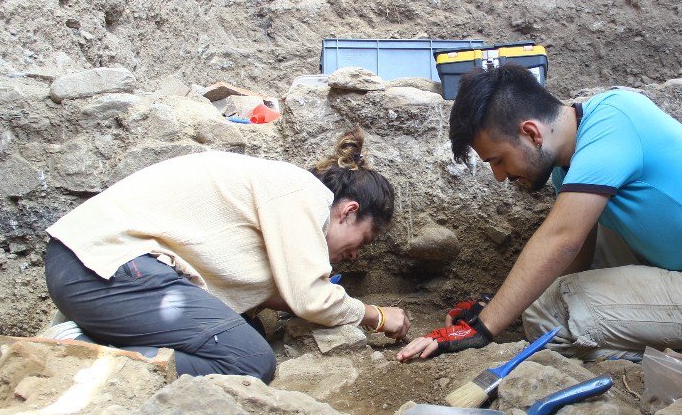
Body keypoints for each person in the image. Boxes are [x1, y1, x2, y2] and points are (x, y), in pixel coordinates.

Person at [397, 65, 682, 364]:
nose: (500, 177)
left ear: (532, 133)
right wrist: (495, 303)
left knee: (547, 317)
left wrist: (482, 329)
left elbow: (560, 241)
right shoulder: (568, 162)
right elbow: (577, 256)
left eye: (498, 160)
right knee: (566, 285)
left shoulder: (612, 124)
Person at [44, 129, 410, 383]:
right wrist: (376, 317)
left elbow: (253, 285)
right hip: (107, 270)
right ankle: (85, 352)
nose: (353, 255)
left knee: (247, 330)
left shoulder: (279, 197)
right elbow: (311, 297)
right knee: (249, 360)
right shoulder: (306, 196)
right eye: (364, 238)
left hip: (83, 269)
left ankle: (85, 335)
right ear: (348, 211)